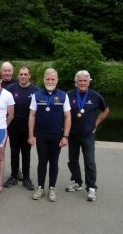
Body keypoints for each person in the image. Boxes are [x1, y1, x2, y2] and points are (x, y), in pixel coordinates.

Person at [28, 68, 71, 202]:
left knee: (54, 162)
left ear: (57, 80)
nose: (50, 81)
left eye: (53, 79)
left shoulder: (64, 95)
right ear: (44, 80)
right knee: (42, 162)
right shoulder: (37, 95)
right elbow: (32, 115)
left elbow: (68, 117)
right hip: (41, 135)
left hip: (57, 135)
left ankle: (52, 188)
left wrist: (65, 136)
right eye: (48, 79)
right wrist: (31, 134)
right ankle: (40, 188)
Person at [66, 70, 109, 202]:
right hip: (72, 134)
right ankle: (77, 181)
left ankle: (91, 188)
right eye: (80, 80)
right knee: (72, 160)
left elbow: (106, 110)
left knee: (89, 162)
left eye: (85, 80)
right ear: (76, 82)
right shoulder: (68, 95)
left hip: (88, 135)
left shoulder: (95, 96)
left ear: (89, 82)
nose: (82, 83)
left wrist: (96, 123)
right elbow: (63, 113)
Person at [4, 67, 39, 190]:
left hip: (27, 125)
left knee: (26, 153)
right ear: (18, 76)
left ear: (29, 75)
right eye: (21, 74)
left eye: (25, 74)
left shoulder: (36, 91)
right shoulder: (10, 89)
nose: (23, 76)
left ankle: (26, 177)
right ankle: (13, 176)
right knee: (14, 152)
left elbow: (37, 112)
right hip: (13, 124)